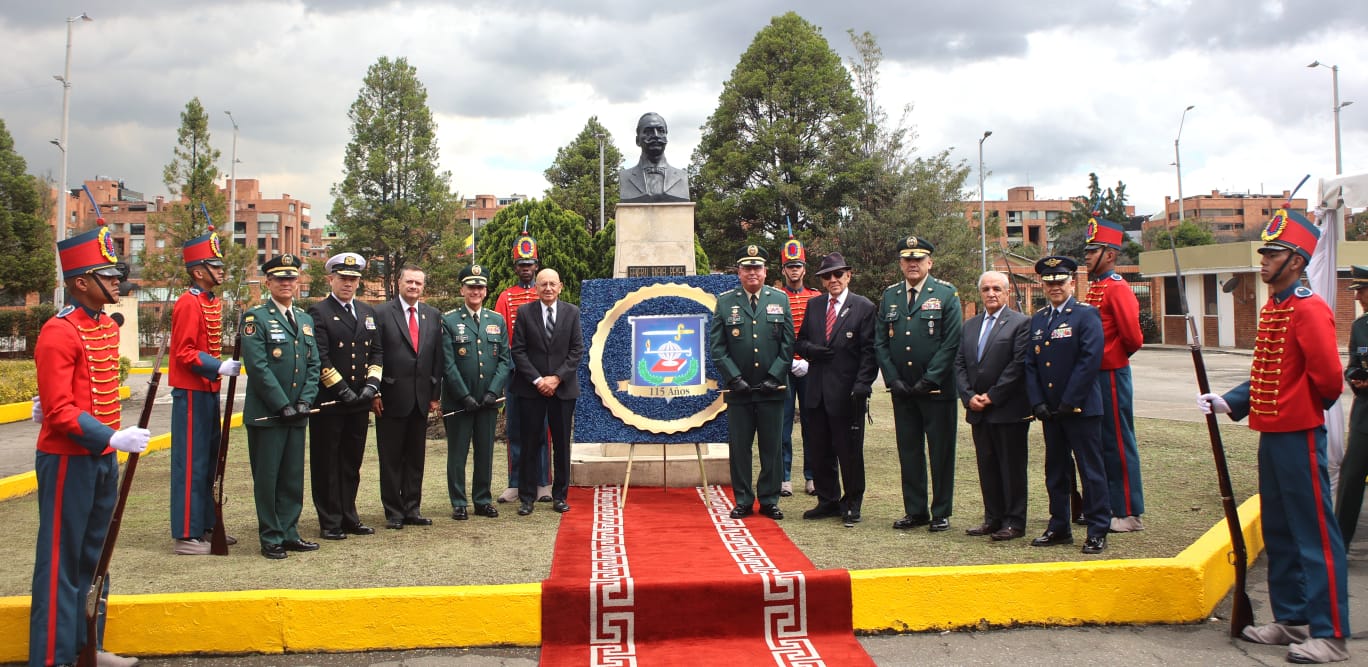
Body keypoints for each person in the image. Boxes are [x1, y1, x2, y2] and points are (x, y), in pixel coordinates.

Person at [1198, 209, 1349, 664]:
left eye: (1273, 254)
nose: (1263, 261)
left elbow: (1328, 382)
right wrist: (1231, 401)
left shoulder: (1310, 308)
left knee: (1314, 535)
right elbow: (1270, 373)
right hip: (1273, 433)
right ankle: (1290, 618)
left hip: (1299, 435)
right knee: (1280, 530)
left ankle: (1330, 632)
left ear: (1297, 262)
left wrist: (1299, 412)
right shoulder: (1276, 308)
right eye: (1264, 253)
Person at [30, 226, 146, 667]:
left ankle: (87, 647)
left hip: (100, 458)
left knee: (97, 553)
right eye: (107, 274)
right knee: (61, 559)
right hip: (67, 460)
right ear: (81, 282)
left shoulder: (102, 326)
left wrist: (109, 443)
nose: (117, 281)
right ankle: (52, 657)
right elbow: (59, 410)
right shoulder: (59, 332)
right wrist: (111, 436)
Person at [874, 235, 962, 533]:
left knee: (940, 452)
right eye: (907, 260)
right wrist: (893, 379)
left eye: (919, 259)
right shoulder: (890, 296)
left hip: (936, 390)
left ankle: (941, 512)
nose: (913, 264)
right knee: (909, 451)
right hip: (903, 390)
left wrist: (930, 378)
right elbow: (881, 342)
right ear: (901, 263)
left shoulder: (946, 294)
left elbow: (951, 343)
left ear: (929, 262)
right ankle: (915, 510)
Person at [1024, 256, 1110, 555]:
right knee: (1056, 470)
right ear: (1042, 286)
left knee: (1091, 471)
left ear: (1072, 282)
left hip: (1080, 409)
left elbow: (1089, 362)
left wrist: (1068, 401)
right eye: (1049, 282)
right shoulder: (1038, 319)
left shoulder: (1085, 316)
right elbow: (1031, 365)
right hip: (1050, 412)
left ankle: (1098, 528)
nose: (1055, 287)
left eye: (1060, 281)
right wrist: (1038, 403)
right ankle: (1059, 525)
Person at [241, 254, 321, 560]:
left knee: (291, 477)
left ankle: (290, 532)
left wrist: (305, 400)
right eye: (279, 279)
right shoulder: (256, 318)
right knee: (268, 478)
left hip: (297, 413)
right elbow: (258, 367)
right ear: (268, 283)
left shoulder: (304, 319)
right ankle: (271, 536)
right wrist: (282, 404)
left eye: (291, 279)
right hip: (268, 414)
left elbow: (313, 364)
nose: (286, 284)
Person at [167, 231, 242, 555]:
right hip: (191, 392)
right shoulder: (188, 303)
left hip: (207, 389)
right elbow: (184, 352)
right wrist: (217, 365)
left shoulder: (211, 300)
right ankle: (186, 533)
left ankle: (207, 524)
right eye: (214, 265)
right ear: (198, 271)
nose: (221, 270)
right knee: (191, 464)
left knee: (211, 462)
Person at [709, 244, 793, 520]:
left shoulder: (779, 300)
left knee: (771, 447)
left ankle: (769, 500)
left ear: (765, 272)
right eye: (747, 268)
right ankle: (743, 499)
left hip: (772, 389)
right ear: (739, 272)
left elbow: (787, 343)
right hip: (739, 390)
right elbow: (718, 347)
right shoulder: (725, 301)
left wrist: (775, 376)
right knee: (740, 449)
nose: (752, 272)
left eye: (757, 267)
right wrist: (734, 377)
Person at [793, 252, 877, 528]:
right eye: (827, 276)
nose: (833, 280)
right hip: (816, 390)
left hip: (847, 392)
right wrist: (811, 351)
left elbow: (869, 353)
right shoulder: (815, 305)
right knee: (819, 449)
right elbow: (801, 341)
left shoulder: (863, 306)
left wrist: (862, 385)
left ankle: (852, 502)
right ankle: (827, 500)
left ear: (848, 275)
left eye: (838, 274)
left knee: (849, 451)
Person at [306, 252, 381, 541]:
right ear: (331, 279)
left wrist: (371, 386)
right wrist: (343, 390)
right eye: (343, 279)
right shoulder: (318, 312)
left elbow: (377, 351)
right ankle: (330, 520)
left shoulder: (366, 312)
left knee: (351, 462)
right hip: (331, 401)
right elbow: (321, 357)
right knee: (327, 463)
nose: (348, 284)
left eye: (353, 279)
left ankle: (349, 515)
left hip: (359, 401)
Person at [953, 270, 1032, 541]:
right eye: (986, 289)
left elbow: (1018, 365)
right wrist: (968, 396)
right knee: (986, 466)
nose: (991, 293)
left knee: (1011, 468)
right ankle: (992, 518)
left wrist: (992, 396)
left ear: (1007, 292)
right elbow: (960, 364)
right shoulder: (970, 325)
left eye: (997, 288)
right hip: (978, 411)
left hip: (1008, 410)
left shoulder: (1021, 323)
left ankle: (1014, 521)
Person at [1082, 216, 1146, 533]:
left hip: (1111, 375)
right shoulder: (1097, 288)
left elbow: (1133, 337)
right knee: (1100, 441)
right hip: (1095, 376)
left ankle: (1128, 511)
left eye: (1093, 251)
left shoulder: (1117, 288)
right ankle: (1108, 506)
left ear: (1109, 254)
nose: (1087, 256)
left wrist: (1109, 359)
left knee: (1118, 441)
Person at [374, 265, 444, 530]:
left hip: (420, 398)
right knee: (391, 458)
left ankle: (412, 508)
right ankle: (393, 511)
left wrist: (435, 394)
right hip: (390, 397)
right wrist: (376, 391)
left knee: (416, 458)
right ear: (399, 283)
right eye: (409, 282)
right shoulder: (380, 313)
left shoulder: (431, 315)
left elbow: (437, 357)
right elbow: (375, 355)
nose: (414, 287)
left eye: (418, 283)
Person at [441, 264, 513, 520]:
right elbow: (447, 364)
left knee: (485, 452)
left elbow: (505, 359)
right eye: (471, 286)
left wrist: (493, 392)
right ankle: (459, 502)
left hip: (487, 401)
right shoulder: (448, 320)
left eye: (480, 287)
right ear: (462, 289)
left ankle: (482, 499)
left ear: (485, 290)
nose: (476, 291)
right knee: (458, 453)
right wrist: (464, 395)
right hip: (459, 402)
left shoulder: (497, 320)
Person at [510, 268, 584, 515]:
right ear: (537, 288)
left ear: (560, 286)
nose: (548, 288)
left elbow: (576, 351)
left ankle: (560, 496)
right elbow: (518, 350)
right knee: (530, 443)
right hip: (532, 390)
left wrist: (556, 378)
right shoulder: (524, 313)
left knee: (562, 444)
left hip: (562, 390)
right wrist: (538, 380)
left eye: (553, 284)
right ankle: (527, 498)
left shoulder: (572, 312)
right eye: (543, 284)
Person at [494, 231, 551, 504]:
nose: (526, 270)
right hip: (516, 372)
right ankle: (516, 482)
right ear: (516, 268)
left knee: (542, 429)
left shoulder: (545, 295)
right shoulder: (506, 297)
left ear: (536, 266)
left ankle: (543, 482)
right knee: (515, 429)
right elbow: (501, 338)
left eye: (530, 265)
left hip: (542, 373)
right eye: (521, 265)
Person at [778, 235, 821, 497]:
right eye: (790, 266)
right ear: (783, 270)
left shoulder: (816, 297)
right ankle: (784, 477)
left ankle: (811, 475)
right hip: (784, 368)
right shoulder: (777, 296)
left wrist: (807, 360)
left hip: (810, 367)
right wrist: (789, 361)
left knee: (811, 423)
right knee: (782, 424)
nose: (794, 271)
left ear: (804, 269)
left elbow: (819, 333)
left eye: (798, 266)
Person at [1338, 265, 1368, 544]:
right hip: (1364, 416)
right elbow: (1353, 364)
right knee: (1350, 478)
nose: (1357, 297)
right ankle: (1340, 542)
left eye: (1361, 290)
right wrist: (1354, 378)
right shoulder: (1360, 326)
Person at [618, 112, 690, 203]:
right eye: (648, 131)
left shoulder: (681, 176)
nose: (656, 135)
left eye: (661, 131)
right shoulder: (626, 177)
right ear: (637, 140)